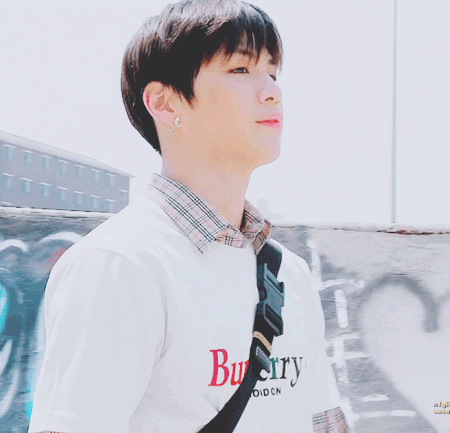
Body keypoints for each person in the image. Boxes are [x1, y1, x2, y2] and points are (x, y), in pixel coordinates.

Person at [28, 0, 353, 431]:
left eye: (273, 73)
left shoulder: (288, 274)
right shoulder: (119, 264)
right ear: (164, 104)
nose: (272, 91)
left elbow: (323, 423)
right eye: (241, 69)